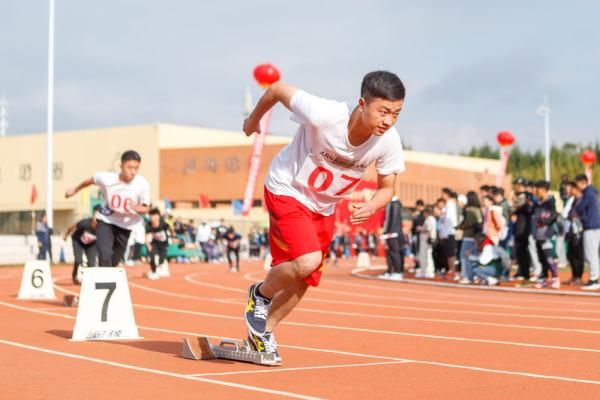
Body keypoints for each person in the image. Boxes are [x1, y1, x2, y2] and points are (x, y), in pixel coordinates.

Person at [242, 71, 406, 362]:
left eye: (396, 113)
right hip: (288, 189)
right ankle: (261, 294)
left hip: (323, 206)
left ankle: (264, 332)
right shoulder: (325, 114)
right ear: (362, 103)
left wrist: (372, 206)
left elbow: (387, 187)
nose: (389, 121)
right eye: (383, 112)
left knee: (305, 278)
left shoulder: (389, 141)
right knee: (308, 261)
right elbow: (277, 90)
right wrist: (254, 120)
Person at [64, 150, 150, 267]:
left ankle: (106, 273)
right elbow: (90, 181)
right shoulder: (107, 178)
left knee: (114, 261)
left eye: (136, 168)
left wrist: (136, 207)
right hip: (106, 220)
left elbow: (146, 208)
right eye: (129, 167)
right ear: (121, 166)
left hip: (125, 226)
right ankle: (101, 281)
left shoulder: (142, 183)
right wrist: (75, 189)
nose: (133, 172)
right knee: (105, 255)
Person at [531, 181, 560, 289]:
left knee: (549, 257)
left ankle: (555, 278)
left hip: (547, 234)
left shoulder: (550, 202)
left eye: (538, 189)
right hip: (538, 234)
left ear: (544, 190)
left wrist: (544, 221)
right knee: (541, 258)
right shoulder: (536, 203)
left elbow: (554, 216)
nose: (536, 192)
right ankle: (543, 278)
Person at [574, 174, 600, 290]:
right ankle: (594, 278)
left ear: (582, 182)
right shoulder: (590, 192)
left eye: (577, 184)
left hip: (591, 226)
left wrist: (578, 199)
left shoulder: (588, 193)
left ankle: (594, 279)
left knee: (591, 254)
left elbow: (580, 208)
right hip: (592, 226)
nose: (576, 186)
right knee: (592, 253)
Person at [63, 206, 100, 284]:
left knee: (91, 263)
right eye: (96, 215)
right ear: (93, 215)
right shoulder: (85, 223)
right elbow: (72, 227)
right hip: (78, 241)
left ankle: (89, 281)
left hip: (90, 244)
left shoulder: (103, 227)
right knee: (78, 260)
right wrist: (66, 235)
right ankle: (74, 275)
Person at [457, 191, 482, 284]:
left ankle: (468, 276)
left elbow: (468, 223)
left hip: (468, 235)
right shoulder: (478, 209)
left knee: (464, 256)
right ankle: (475, 275)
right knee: (473, 256)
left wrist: (460, 227)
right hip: (477, 237)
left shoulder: (469, 210)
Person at [562, 181, 584, 285]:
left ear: (574, 188)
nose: (567, 190)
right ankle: (574, 276)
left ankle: (579, 277)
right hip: (570, 230)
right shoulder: (572, 200)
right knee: (570, 254)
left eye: (568, 188)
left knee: (578, 255)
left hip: (578, 231)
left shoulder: (582, 199)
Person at [511, 177, 532, 280]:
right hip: (518, 227)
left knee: (523, 250)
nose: (517, 188)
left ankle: (525, 273)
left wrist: (515, 208)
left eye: (519, 186)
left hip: (523, 228)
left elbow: (519, 208)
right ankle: (521, 271)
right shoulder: (519, 197)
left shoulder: (527, 197)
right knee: (519, 251)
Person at [145, 208, 172, 280]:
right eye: (151, 216)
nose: (152, 218)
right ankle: (153, 272)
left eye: (154, 216)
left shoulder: (163, 223)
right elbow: (146, 236)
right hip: (155, 243)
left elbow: (170, 228)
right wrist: (148, 245)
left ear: (158, 216)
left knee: (161, 260)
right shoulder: (148, 225)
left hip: (163, 244)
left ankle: (157, 268)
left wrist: (173, 233)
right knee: (151, 257)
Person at [381, 195, 404, 280]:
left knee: (394, 252)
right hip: (389, 232)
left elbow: (394, 219)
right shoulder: (390, 203)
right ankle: (391, 271)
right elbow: (387, 219)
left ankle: (398, 272)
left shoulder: (395, 204)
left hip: (393, 233)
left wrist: (391, 232)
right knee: (390, 252)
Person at [439, 188, 458, 279]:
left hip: (449, 232)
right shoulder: (447, 205)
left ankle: (453, 271)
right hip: (446, 233)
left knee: (451, 254)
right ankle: (450, 270)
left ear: (446, 194)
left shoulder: (450, 204)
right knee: (448, 254)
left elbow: (450, 220)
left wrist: (446, 233)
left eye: (442, 194)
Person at [416, 205, 436, 278]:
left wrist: (420, 228)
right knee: (427, 255)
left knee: (425, 255)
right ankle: (426, 270)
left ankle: (426, 271)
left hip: (426, 240)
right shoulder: (430, 219)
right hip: (426, 239)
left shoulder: (430, 219)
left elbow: (428, 228)